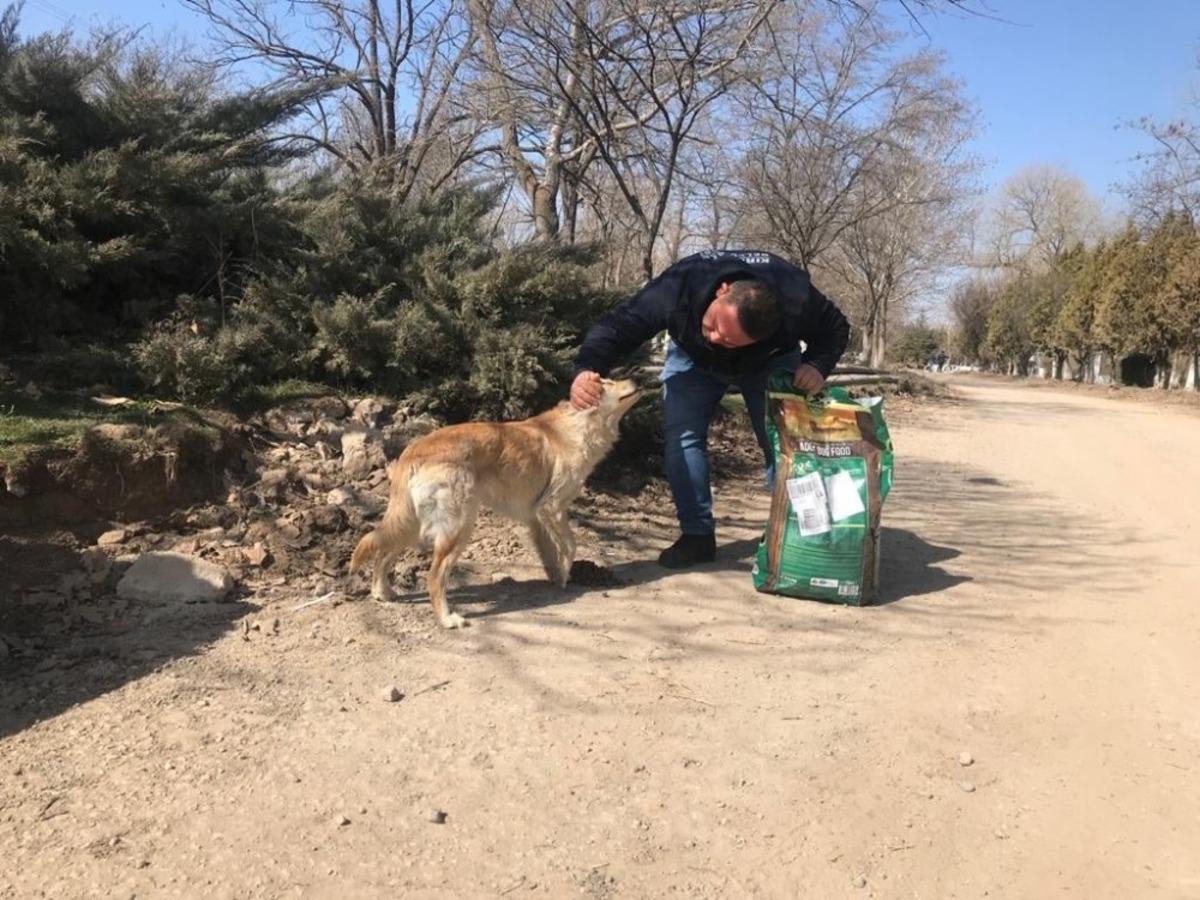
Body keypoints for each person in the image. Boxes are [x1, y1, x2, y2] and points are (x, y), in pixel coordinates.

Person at [570, 249, 850, 569]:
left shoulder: (795, 299)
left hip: (769, 363)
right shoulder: (679, 285)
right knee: (682, 436)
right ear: (722, 290)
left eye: (729, 340)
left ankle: (794, 531)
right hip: (692, 358)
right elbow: (619, 327)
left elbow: (835, 329)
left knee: (783, 442)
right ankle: (696, 536)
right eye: (715, 324)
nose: (716, 337)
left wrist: (816, 365)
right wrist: (586, 368)